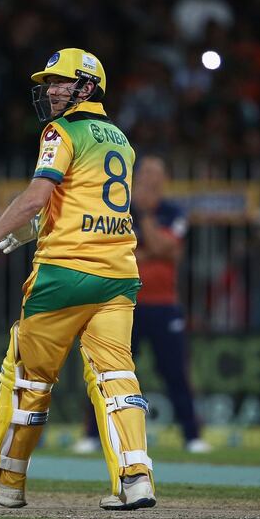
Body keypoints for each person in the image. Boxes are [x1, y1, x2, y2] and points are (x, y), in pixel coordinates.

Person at [0, 48, 155, 510]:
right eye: (50, 82)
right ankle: (136, 478)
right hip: (118, 275)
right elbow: (76, 206)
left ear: (87, 86)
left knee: (27, 378)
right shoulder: (120, 138)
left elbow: (36, 197)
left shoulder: (61, 130)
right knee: (116, 376)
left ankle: (4, 480)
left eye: (61, 82)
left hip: (63, 275)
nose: (51, 90)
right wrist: (12, 239)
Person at [73, 155, 211, 454]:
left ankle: (192, 436)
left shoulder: (173, 212)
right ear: (135, 177)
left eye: (156, 173)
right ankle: (92, 435)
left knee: (175, 372)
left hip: (163, 304)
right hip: (123, 303)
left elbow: (166, 249)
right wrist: (152, 250)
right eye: (146, 172)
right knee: (108, 370)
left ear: (164, 180)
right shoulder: (117, 209)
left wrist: (146, 218)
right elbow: (110, 253)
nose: (150, 179)